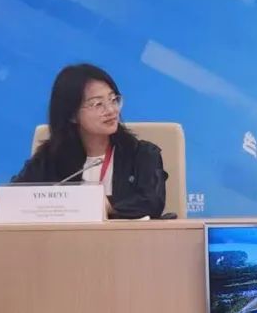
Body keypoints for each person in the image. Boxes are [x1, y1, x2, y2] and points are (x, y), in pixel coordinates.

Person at [13, 63, 168, 219]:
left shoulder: (142, 155)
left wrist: (107, 205)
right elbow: (13, 199)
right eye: (98, 104)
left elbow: (152, 202)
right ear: (72, 115)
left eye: (113, 99)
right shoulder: (50, 159)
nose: (111, 110)